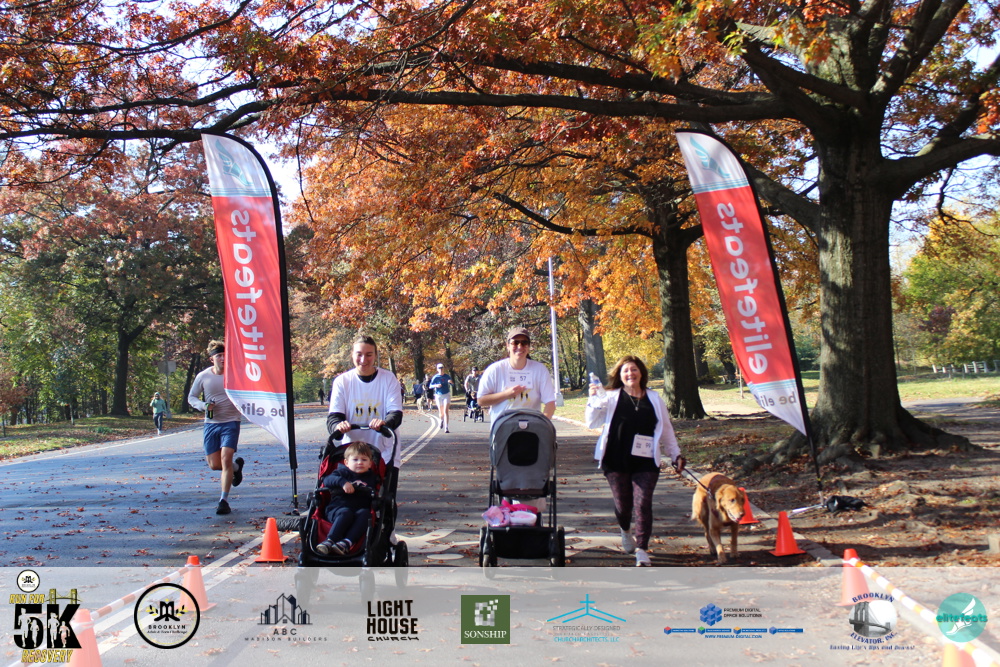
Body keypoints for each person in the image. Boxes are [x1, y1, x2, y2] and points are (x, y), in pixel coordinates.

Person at [585, 355, 686, 567]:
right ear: (620, 376)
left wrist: (675, 454)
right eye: (625, 371)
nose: (630, 374)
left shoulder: (654, 399)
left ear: (641, 373)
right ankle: (625, 530)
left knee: (643, 503)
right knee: (623, 506)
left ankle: (642, 549)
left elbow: (666, 430)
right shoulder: (610, 396)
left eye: (634, 369)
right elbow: (591, 422)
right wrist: (593, 400)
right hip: (615, 459)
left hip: (646, 461)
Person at [327, 335, 404, 502]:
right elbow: (334, 417)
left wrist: (385, 423)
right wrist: (338, 426)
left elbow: (395, 413)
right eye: (359, 354)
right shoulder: (342, 381)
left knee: (384, 500)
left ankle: (387, 520)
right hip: (354, 454)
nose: (363, 360)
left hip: (384, 451)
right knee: (352, 501)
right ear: (352, 355)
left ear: (375, 355)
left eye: (369, 354)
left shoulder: (388, 379)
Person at [187, 340, 245, 516]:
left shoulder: (235, 374)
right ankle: (236, 468)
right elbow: (191, 397)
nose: (222, 358)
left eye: (224, 355)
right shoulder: (203, 376)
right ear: (211, 359)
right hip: (211, 423)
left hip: (231, 422)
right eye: (219, 355)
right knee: (214, 465)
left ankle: (223, 501)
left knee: (225, 459)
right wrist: (204, 406)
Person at [477, 327, 556, 422]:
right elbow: (481, 400)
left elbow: (550, 403)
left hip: (531, 427)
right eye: (515, 342)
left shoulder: (540, 370)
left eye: (524, 343)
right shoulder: (495, 370)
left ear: (528, 347)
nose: (520, 346)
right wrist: (506, 394)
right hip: (502, 427)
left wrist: (542, 425)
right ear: (508, 346)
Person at [316, 442, 379, 555]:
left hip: (359, 511)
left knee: (366, 514)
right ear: (346, 462)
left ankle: (346, 543)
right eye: (355, 460)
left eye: (364, 460)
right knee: (346, 512)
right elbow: (327, 480)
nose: (359, 462)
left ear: (370, 463)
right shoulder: (342, 473)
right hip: (337, 509)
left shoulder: (372, 478)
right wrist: (343, 482)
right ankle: (330, 540)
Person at [428, 362, 454, 432]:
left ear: (443, 369)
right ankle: (441, 420)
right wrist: (436, 385)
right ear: (437, 369)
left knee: (446, 411)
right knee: (441, 412)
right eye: (439, 368)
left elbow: (452, 385)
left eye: (442, 368)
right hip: (438, 395)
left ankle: (446, 427)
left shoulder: (447, 376)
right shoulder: (435, 377)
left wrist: (451, 382)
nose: (441, 369)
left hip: (446, 394)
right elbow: (430, 386)